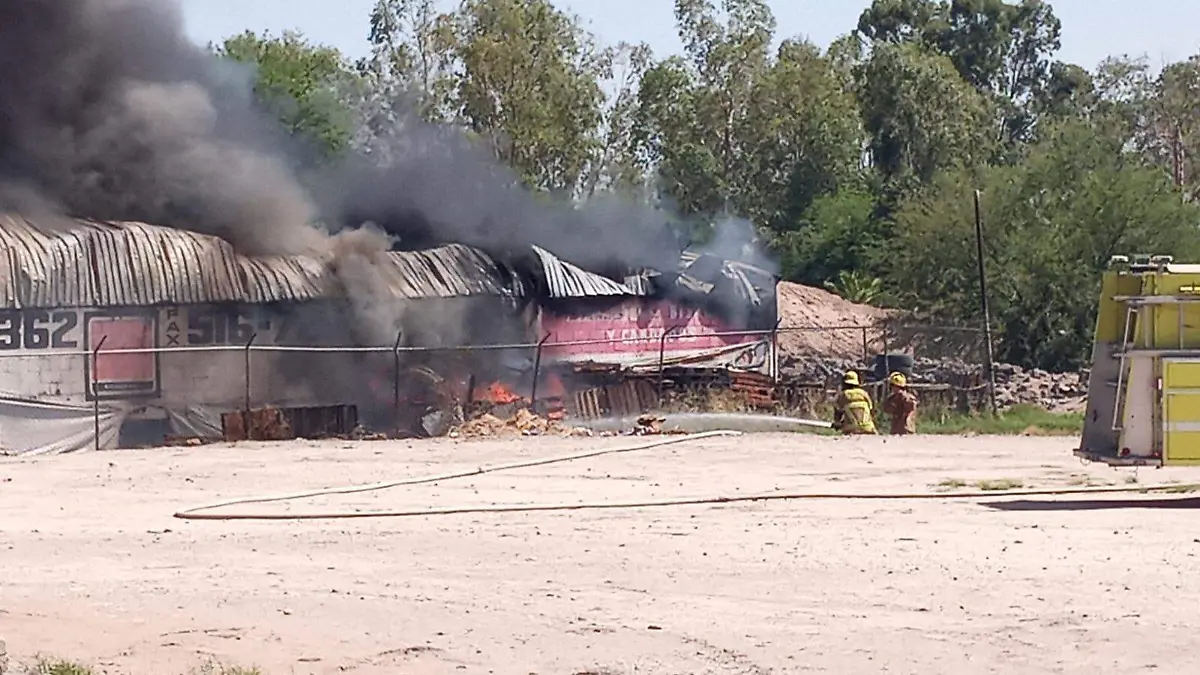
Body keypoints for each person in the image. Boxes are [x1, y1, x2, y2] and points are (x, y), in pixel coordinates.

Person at [833, 370, 877, 435]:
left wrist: (837, 424)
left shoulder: (843, 395)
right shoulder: (864, 394)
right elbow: (872, 411)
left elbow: (838, 413)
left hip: (851, 429)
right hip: (868, 428)